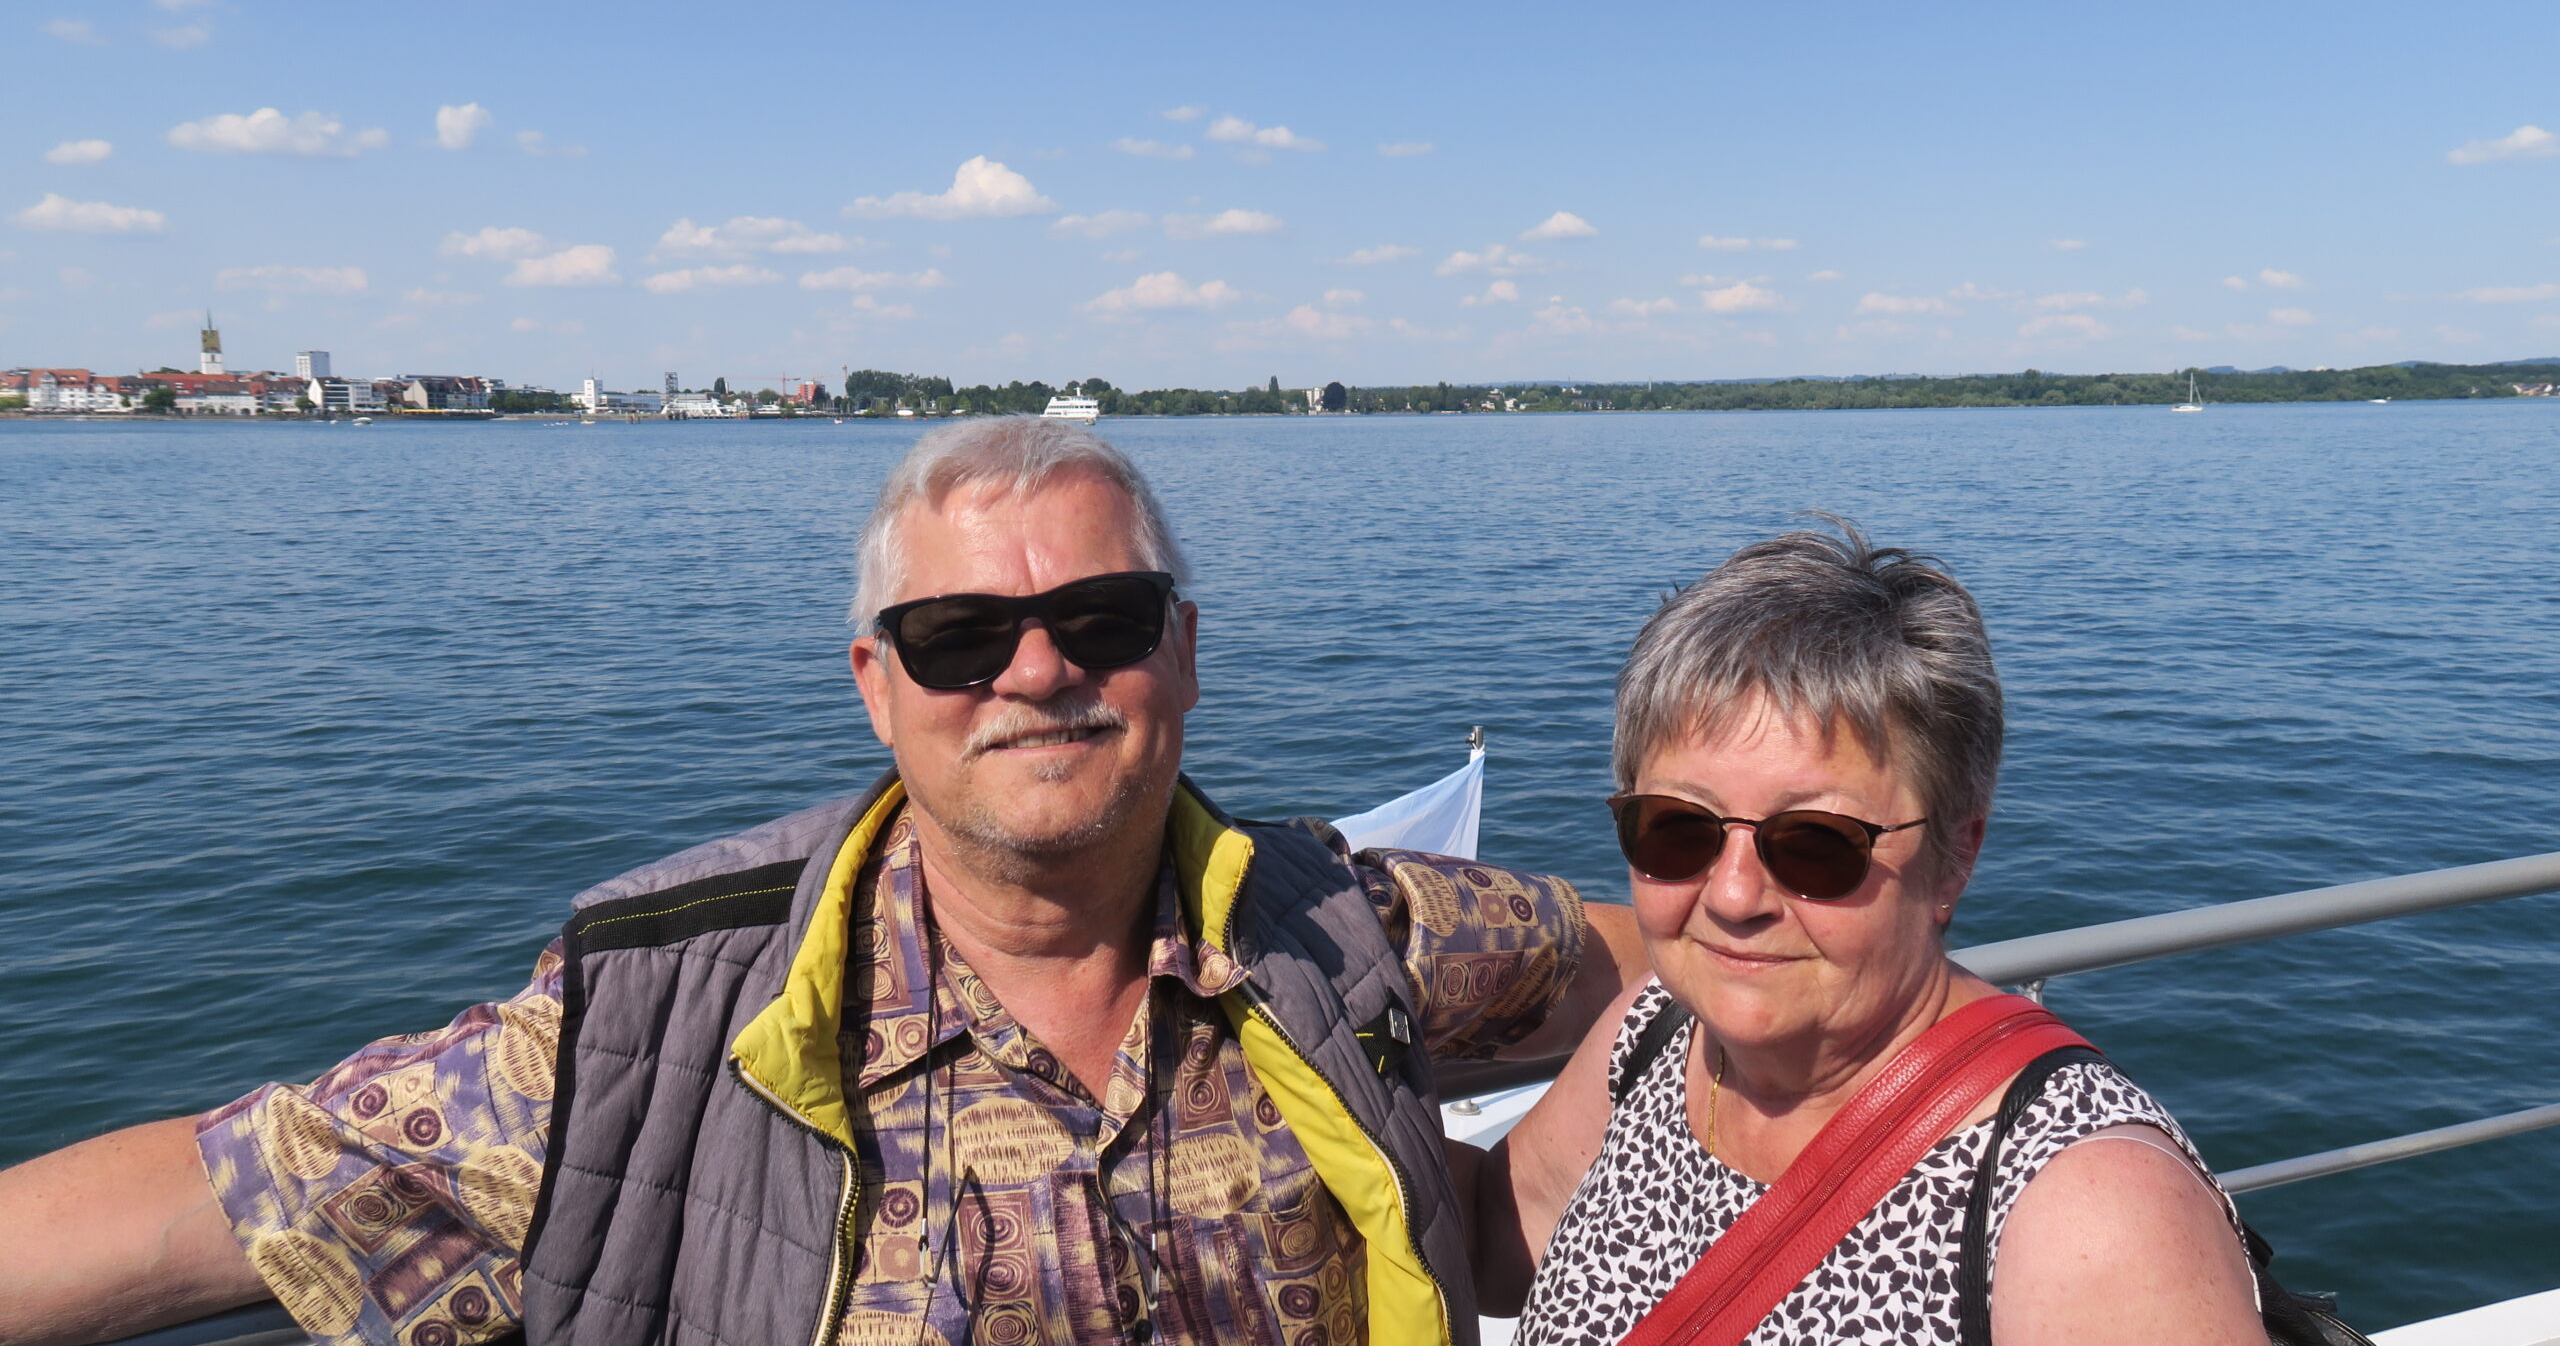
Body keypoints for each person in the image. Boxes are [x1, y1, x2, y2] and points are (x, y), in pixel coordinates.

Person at [0, 418, 1642, 1346]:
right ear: (877, 684)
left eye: (1106, 623)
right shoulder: (660, 1025)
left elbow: (1684, 956)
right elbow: (216, 1196)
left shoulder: (1347, 927)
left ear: (1183, 657)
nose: (1038, 673)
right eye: (960, 637)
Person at [1463, 522, 2265, 1345]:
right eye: (1677, 828)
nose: (1734, 894)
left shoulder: (2087, 1208)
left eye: (1815, 843)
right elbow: (1496, 1228)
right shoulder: (1658, 1028)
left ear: (1954, 855)